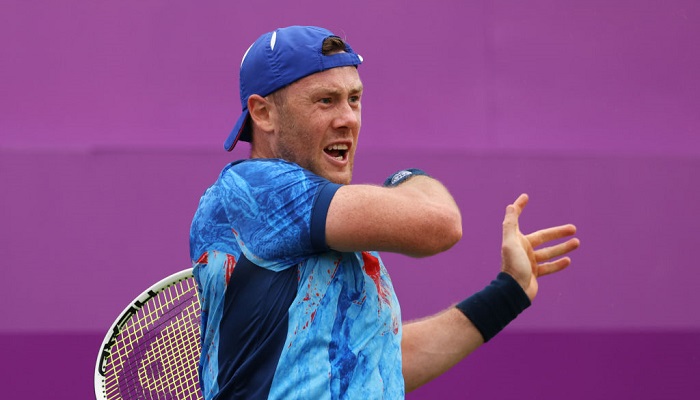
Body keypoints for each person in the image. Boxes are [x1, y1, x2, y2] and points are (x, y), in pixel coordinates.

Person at [189, 25, 580, 400]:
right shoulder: (255, 191)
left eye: (354, 99)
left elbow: (374, 364)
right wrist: (408, 179)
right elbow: (440, 224)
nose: (348, 118)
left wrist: (509, 292)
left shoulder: (311, 227)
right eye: (325, 101)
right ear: (263, 113)